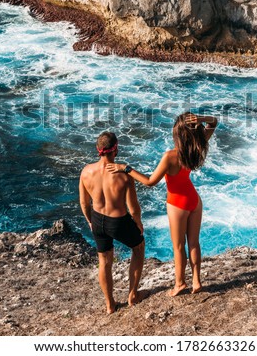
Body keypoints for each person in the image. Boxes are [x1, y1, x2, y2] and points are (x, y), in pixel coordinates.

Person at [106, 112, 217, 297]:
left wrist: (125, 168)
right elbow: (214, 122)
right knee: (194, 243)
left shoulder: (170, 156)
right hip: (194, 199)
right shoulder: (197, 147)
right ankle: (197, 281)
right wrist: (202, 119)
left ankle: (180, 284)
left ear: (178, 134)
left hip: (177, 203)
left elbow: (150, 181)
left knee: (179, 246)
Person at [79, 132, 145, 314]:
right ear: (115, 149)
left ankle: (110, 304)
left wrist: (90, 222)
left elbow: (84, 203)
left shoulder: (86, 171)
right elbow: (133, 207)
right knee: (138, 247)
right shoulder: (123, 174)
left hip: (98, 220)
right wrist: (138, 222)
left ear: (98, 150)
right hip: (118, 221)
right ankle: (133, 295)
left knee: (105, 261)